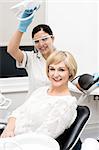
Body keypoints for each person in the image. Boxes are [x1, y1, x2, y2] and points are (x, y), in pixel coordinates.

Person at [1, 50, 78, 139]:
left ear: (70, 73)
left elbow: (42, 137)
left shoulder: (66, 104)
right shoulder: (41, 91)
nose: (55, 74)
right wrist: (8, 130)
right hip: (9, 136)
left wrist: (12, 141)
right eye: (52, 69)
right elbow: (17, 113)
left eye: (61, 70)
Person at [7, 8, 56, 95]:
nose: (41, 44)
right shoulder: (30, 59)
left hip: (56, 104)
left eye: (44, 39)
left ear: (52, 39)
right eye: (36, 41)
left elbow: (71, 80)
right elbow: (11, 50)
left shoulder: (63, 58)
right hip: (34, 105)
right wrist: (22, 27)